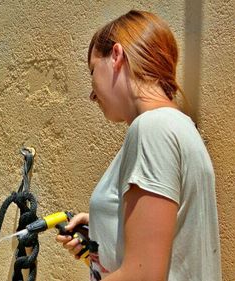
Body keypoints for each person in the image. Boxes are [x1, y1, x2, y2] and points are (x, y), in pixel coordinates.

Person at [56, 10, 222, 281]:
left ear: (117, 57)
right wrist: (104, 224)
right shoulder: (179, 127)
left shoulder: (151, 130)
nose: (92, 94)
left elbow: (142, 275)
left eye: (93, 71)